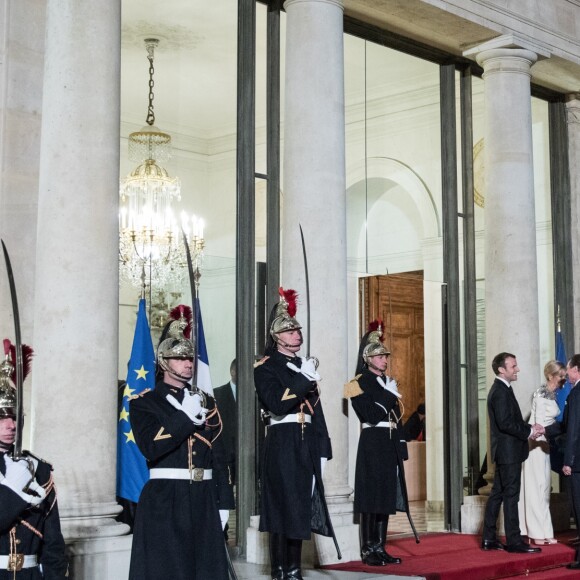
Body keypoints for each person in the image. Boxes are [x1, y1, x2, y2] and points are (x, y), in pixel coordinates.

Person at [128, 309, 234, 580]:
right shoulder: (145, 403)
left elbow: (218, 456)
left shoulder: (206, 402)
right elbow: (151, 447)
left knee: (207, 572)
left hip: (204, 497)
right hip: (165, 498)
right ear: (164, 361)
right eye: (179, 358)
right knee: (169, 571)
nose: (188, 363)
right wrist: (184, 417)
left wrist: (224, 502)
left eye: (189, 357)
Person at [254, 288, 336, 580]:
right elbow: (277, 403)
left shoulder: (303, 366)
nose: (296, 334)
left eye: (298, 330)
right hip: (283, 440)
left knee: (300, 504)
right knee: (283, 505)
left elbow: (316, 409)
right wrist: (303, 379)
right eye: (289, 332)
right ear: (277, 337)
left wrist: (324, 443)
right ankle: (280, 569)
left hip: (307, 439)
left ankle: (293, 568)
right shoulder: (266, 368)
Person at [344, 320, 416, 566]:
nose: (385, 360)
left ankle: (380, 546)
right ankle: (368, 549)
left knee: (385, 498)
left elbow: (397, 417)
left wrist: (402, 446)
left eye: (385, 356)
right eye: (380, 356)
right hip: (373, 443)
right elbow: (370, 415)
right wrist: (388, 393)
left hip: (389, 444)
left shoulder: (387, 382)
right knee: (371, 498)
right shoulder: (355, 383)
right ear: (368, 359)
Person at [0, 339, 68, 579]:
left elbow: (53, 542)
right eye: (2, 418)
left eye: (15, 416)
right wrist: (11, 491)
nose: (11, 425)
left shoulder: (37, 467)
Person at [481, 352, 545, 554]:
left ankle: (489, 538)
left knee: (497, 495)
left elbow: (509, 420)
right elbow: (505, 423)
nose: (517, 369)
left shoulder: (503, 389)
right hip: (508, 453)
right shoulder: (500, 391)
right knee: (511, 496)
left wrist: (528, 426)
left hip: (507, 452)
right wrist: (529, 431)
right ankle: (514, 542)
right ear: (501, 369)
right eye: (513, 366)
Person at [518, 360, 566, 545]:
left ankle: (545, 530)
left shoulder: (552, 395)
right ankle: (535, 531)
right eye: (560, 376)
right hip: (535, 445)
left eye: (563, 375)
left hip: (545, 446)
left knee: (544, 488)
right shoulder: (540, 393)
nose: (563, 380)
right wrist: (540, 437)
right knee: (535, 487)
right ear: (550, 376)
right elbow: (537, 422)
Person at [214, 358, 237, 542]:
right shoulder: (217, 394)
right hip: (225, 453)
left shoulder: (255, 395)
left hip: (248, 454)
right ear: (232, 372)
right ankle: (222, 530)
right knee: (224, 492)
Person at [562, 353, 580, 569]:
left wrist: (568, 461)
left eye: (568, 368)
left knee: (578, 507)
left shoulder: (576, 394)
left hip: (578, 462)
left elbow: (574, 431)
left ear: (576, 369)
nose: (566, 373)